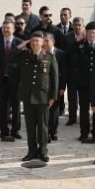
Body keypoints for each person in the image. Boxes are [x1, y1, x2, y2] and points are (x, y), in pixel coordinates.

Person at [16, 31, 60, 162]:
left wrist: (53, 96)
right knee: (30, 126)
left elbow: (55, 78)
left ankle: (43, 151)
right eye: (33, 41)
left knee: (43, 126)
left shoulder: (49, 57)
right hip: (28, 96)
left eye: (37, 41)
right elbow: (10, 57)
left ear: (42, 43)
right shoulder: (24, 55)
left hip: (43, 96)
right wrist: (22, 44)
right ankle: (31, 151)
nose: (35, 43)